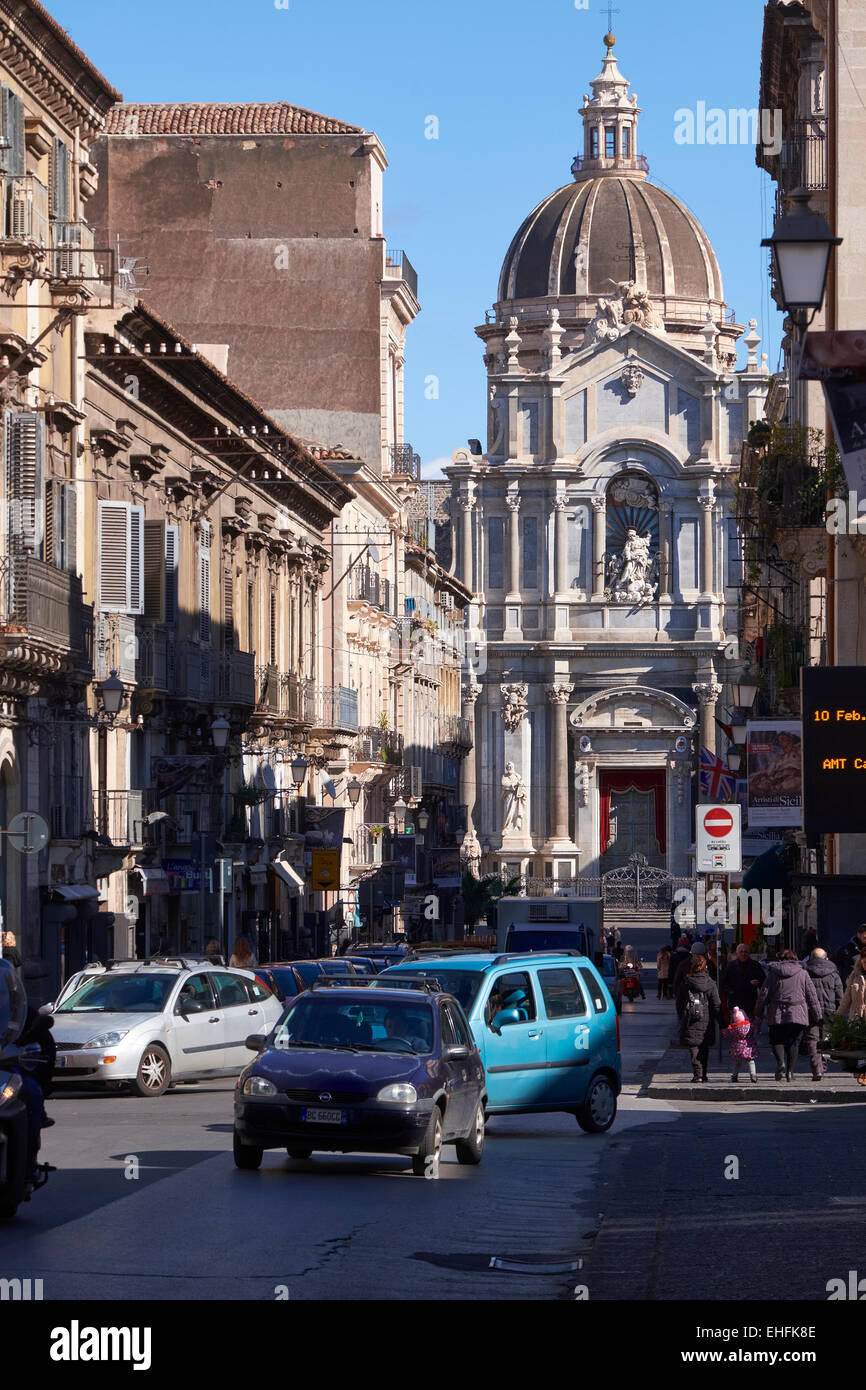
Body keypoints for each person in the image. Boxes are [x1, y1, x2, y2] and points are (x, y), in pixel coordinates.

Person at [755, 948, 821, 1082]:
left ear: (779, 959)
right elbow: (812, 996)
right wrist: (818, 1015)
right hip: (798, 1012)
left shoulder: (773, 974)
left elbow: (764, 994)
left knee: (776, 1040)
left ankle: (781, 1063)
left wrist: (758, 1011)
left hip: (776, 1011)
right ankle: (790, 1072)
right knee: (794, 1042)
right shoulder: (803, 973)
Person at [676, 953, 721, 1082]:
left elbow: (679, 1002)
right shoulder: (710, 983)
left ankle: (698, 1074)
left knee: (693, 1046)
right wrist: (721, 1022)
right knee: (704, 1045)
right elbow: (716, 1004)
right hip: (707, 1018)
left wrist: (681, 1016)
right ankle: (704, 1073)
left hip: (691, 1018)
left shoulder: (686, 982)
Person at [804, 948, 843, 1081]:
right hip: (829, 1011)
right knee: (825, 1039)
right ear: (826, 958)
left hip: (810, 1011)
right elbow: (839, 996)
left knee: (812, 1039)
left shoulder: (806, 972)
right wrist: (840, 1012)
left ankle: (817, 1069)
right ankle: (823, 1066)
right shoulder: (834, 974)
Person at [837, 948, 866, 1086]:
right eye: (864, 961)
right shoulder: (855, 976)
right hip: (857, 1019)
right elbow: (846, 999)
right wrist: (838, 1017)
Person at [720, 943, 766, 1020]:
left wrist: (758, 983)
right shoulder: (731, 966)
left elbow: (764, 982)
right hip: (735, 1004)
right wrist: (730, 992)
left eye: (745, 952)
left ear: (749, 953)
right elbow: (724, 984)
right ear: (737, 953)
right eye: (741, 952)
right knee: (737, 1029)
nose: (743, 954)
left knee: (749, 1028)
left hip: (750, 1003)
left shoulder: (755, 965)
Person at [724, 1005, 759, 1084]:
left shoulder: (732, 1028)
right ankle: (753, 1075)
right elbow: (756, 1026)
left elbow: (725, 1034)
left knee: (737, 1063)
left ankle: (734, 1076)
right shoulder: (749, 1026)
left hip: (736, 1049)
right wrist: (757, 1019)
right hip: (748, 1048)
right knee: (751, 1061)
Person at [833, 924, 866, 989]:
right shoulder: (846, 950)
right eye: (865, 937)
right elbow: (834, 965)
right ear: (858, 935)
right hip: (852, 988)